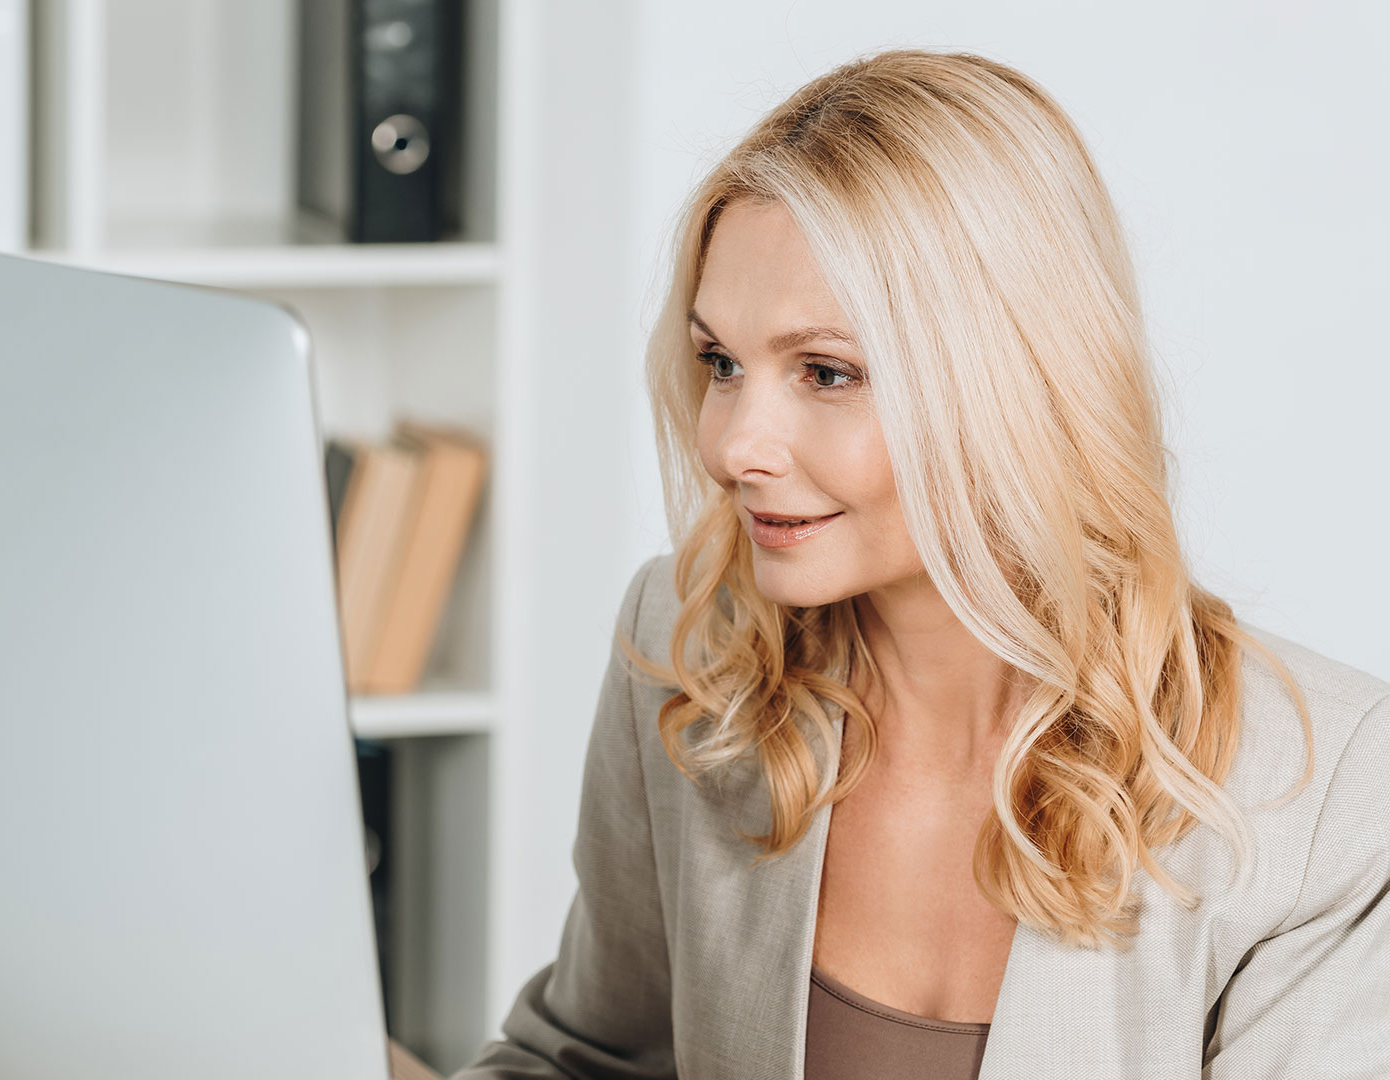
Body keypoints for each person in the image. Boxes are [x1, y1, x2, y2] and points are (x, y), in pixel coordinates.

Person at [448, 48, 1389, 1080]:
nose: (734, 448)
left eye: (826, 372)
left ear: (1015, 381)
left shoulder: (1327, 789)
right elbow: (587, 1062)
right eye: (721, 362)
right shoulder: (687, 646)